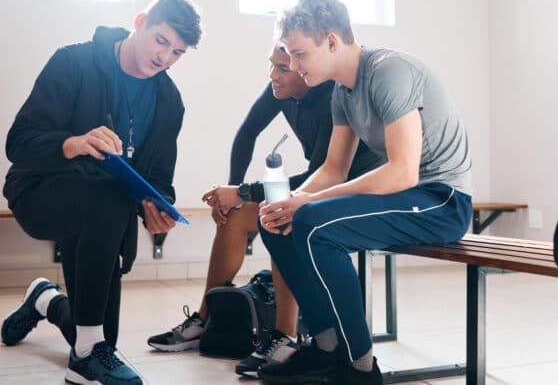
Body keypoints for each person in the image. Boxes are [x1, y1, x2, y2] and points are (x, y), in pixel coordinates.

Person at [255, 0, 474, 385]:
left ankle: (359, 369)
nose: (292, 64)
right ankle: (324, 348)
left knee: (316, 226)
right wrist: (289, 202)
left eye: (299, 54)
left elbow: (403, 173)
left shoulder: (389, 71)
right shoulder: (343, 91)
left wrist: (309, 201)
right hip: (406, 196)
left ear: (332, 41)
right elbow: (333, 169)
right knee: (278, 223)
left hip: (441, 200)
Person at [0, 0, 202, 385]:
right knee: (95, 345)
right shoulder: (73, 62)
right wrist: (72, 144)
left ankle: (46, 301)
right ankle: (86, 358)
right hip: (41, 192)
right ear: (140, 21)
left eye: (178, 53)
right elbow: (18, 143)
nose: (164, 58)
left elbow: (159, 176)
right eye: (162, 40)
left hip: (106, 218)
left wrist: (159, 211)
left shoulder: (169, 101)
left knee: (92, 328)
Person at [146, 44, 383, 378]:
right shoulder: (281, 86)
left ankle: (284, 335)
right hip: (318, 188)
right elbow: (247, 133)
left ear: (306, 68)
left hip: (352, 193)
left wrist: (242, 192)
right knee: (236, 216)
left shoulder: (333, 98)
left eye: (283, 67)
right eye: (271, 64)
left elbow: (321, 176)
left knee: (279, 216)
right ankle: (204, 319)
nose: (273, 74)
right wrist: (232, 193)